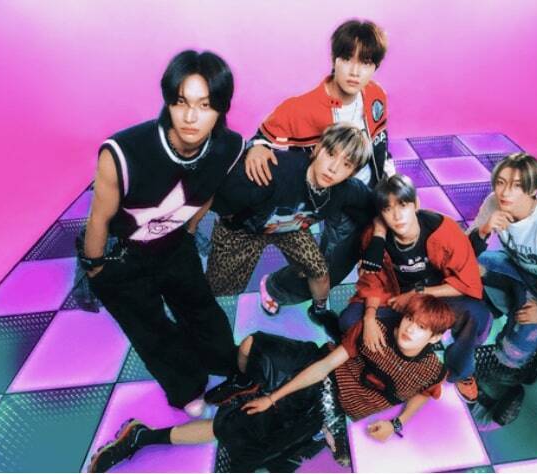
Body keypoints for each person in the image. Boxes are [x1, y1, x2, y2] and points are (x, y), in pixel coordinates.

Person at [87, 294, 453, 473]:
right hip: (317, 365)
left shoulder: (431, 371)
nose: (409, 329)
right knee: (252, 344)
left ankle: (140, 436)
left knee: (233, 428)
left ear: (435, 338)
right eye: (410, 320)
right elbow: (325, 366)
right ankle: (247, 383)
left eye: (421, 328)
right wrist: (273, 396)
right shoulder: (377, 332)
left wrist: (397, 423)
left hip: (329, 406)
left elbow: (425, 393)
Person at [78, 50, 244, 415]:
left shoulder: (229, 146)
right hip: (122, 252)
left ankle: (223, 362)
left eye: (205, 105)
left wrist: (190, 230)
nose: (190, 117)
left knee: (201, 306)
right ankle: (186, 387)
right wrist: (95, 267)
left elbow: (210, 189)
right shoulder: (123, 151)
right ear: (168, 100)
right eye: (181, 102)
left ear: (221, 108)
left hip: (173, 244)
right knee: (150, 328)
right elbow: (98, 219)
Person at [241, 19, 393, 313]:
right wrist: (257, 147)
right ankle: (276, 287)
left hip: (371, 190)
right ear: (334, 59)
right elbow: (261, 138)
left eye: (365, 62)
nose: (354, 71)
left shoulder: (376, 95)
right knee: (331, 266)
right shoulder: (302, 107)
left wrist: (390, 182)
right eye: (346, 58)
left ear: (375, 67)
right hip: (337, 195)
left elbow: (381, 142)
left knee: (386, 239)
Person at [204, 122, 374, 342]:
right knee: (221, 288)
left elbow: (376, 203)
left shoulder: (345, 191)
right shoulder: (276, 171)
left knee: (320, 272)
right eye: (331, 154)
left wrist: (376, 240)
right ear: (318, 148)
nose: (333, 168)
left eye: (346, 164)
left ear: (353, 173)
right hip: (243, 230)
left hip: (289, 228)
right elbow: (215, 195)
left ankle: (320, 310)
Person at [342, 174, 490, 403]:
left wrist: (418, 293)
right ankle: (392, 360)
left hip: (436, 294)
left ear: (416, 204)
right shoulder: (374, 237)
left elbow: (467, 282)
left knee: (478, 315)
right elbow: (372, 282)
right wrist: (370, 318)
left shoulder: (444, 230)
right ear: (380, 214)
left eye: (403, 205)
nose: (397, 215)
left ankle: (461, 372)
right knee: (349, 321)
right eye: (388, 209)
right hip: (394, 296)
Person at [467, 152, 537, 372]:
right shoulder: (493, 202)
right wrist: (483, 230)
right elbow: (464, 251)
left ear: (533, 189)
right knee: (466, 266)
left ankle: (521, 358)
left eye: (517, 186)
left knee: (517, 349)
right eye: (501, 182)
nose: (505, 192)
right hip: (515, 269)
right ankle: (494, 306)